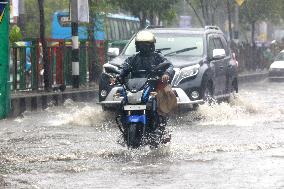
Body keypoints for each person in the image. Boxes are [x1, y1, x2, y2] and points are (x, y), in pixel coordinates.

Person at [118, 30, 174, 138]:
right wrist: (119, 75)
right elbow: (124, 67)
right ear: (137, 46)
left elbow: (169, 65)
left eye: (146, 44)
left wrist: (166, 73)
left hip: (153, 86)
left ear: (152, 45)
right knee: (122, 103)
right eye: (141, 44)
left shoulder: (158, 57)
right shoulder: (133, 58)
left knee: (158, 101)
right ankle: (125, 129)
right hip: (136, 87)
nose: (144, 47)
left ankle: (159, 127)